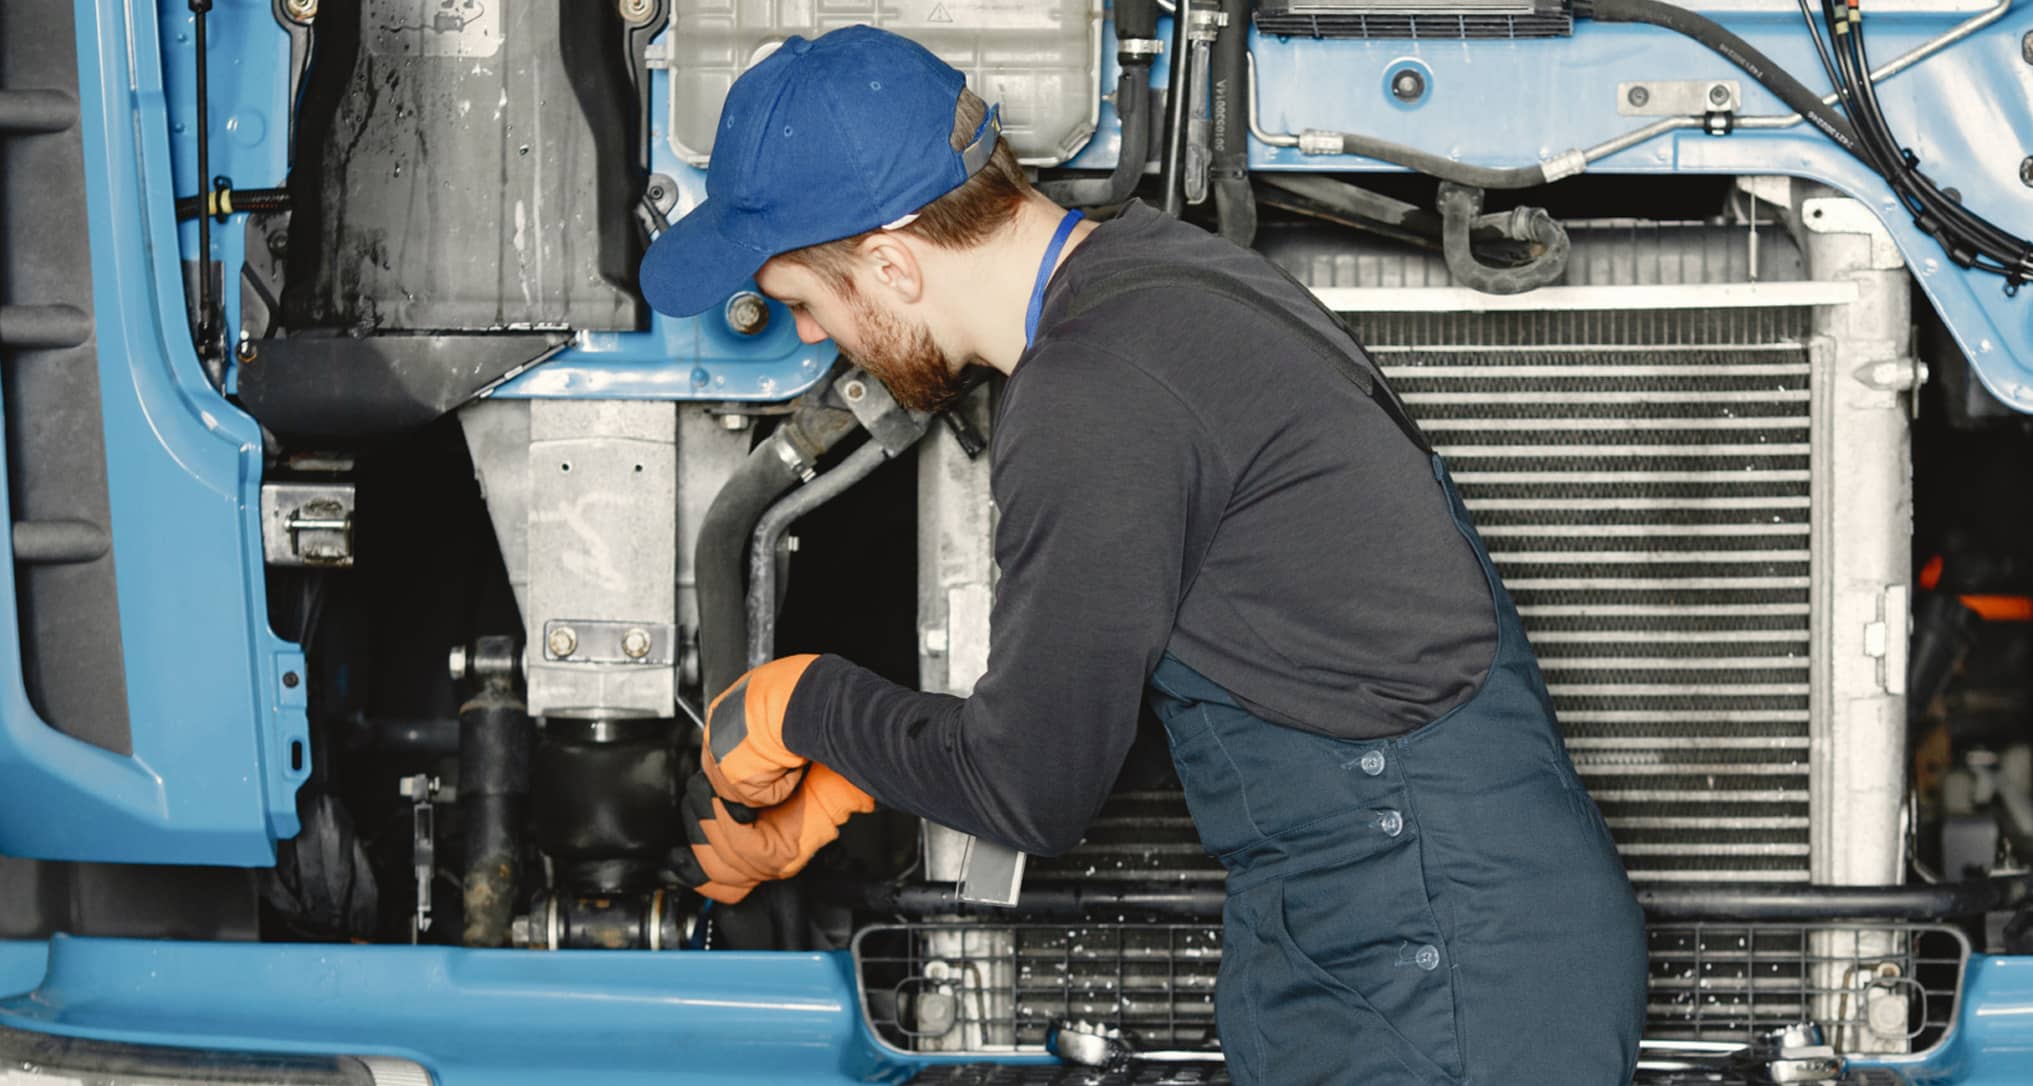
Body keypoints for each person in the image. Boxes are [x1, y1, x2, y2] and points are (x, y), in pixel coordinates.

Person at [638, 24, 1647, 1085]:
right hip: (1423, 942)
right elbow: (1223, 666)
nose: (807, 335)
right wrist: (856, 777)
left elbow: (1032, 790)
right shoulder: (1157, 281)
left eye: (803, 299)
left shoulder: (1093, 393)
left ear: (891, 264)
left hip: (1433, 972)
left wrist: (801, 702)